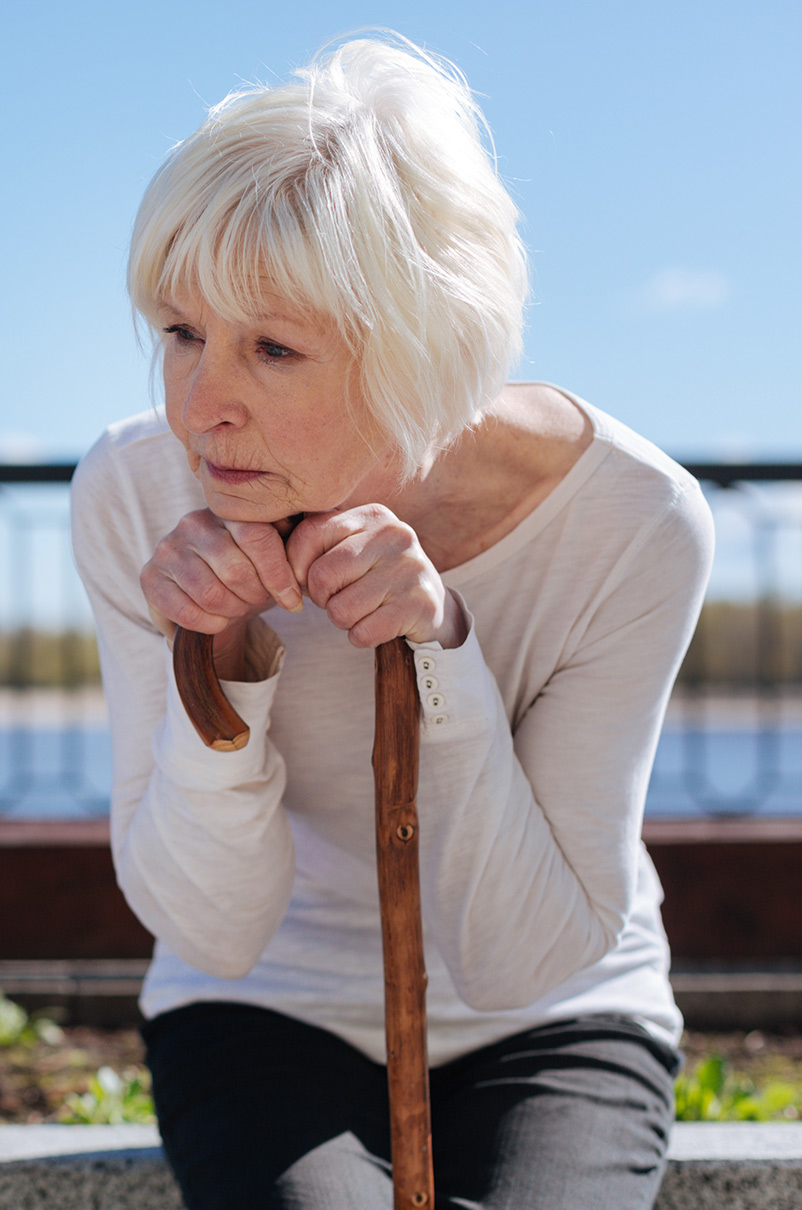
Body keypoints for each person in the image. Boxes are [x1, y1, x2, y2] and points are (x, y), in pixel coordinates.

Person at [72, 32, 714, 1210]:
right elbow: (212, 930)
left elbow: (529, 956)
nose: (197, 404)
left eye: (271, 347)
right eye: (179, 331)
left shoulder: (633, 519)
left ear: (424, 348)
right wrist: (217, 671)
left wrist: (438, 654)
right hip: (255, 1003)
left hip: (559, 1017)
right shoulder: (134, 493)